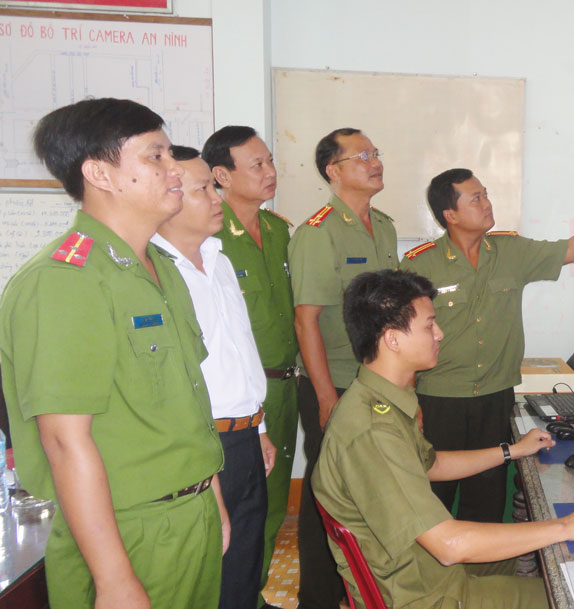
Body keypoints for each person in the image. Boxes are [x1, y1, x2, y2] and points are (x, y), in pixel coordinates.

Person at [0, 98, 224, 608]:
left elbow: (182, 407)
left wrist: (208, 496)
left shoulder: (160, 270)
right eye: (156, 157)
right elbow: (63, 441)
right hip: (126, 533)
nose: (176, 170)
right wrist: (114, 578)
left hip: (190, 516)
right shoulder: (64, 281)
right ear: (99, 173)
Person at [312, 269, 574, 609]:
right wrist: (567, 525)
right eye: (429, 325)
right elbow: (450, 546)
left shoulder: (380, 401)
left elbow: (432, 465)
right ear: (392, 339)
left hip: (425, 568)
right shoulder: (371, 431)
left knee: (552, 557)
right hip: (424, 593)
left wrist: (512, 450)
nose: (440, 333)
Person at [400, 168, 574, 522]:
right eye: (476, 198)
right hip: (439, 398)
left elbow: (571, 251)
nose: (487, 203)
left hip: (495, 395)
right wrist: (409, 403)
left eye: (486, 193)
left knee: (488, 493)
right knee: (431, 495)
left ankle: (486, 572)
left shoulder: (511, 251)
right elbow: (402, 340)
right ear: (451, 214)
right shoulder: (419, 264)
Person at [152, 145, 278, 609]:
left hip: (243, 438)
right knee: (208, 571)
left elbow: (239, 352)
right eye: (202, 188)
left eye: (213, 184)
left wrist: (259, 426)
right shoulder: (156, 274)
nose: (216, 195)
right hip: (203, 450)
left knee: (244, 564)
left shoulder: (219, 257)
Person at [288, 128, 397, 608]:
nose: (375, 162)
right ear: (334, 171)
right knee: (327, 494)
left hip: (381, 383)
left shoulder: (387, 227)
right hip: (332, 381)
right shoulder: (316, 233)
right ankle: (317, 597)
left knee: (374, 490)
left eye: (375, 154)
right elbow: (305, 320)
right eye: (363, 156)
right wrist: (326, 396)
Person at [202, 126, 299, 609]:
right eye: (256, 164)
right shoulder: (207, 236)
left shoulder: (281, 231)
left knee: (272, 507)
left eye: (270, 161)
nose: (270, 172)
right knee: (235, 516)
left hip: (284, 391)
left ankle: (255, 596)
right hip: (237, 402)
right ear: (221, 175)